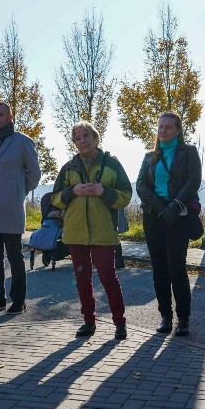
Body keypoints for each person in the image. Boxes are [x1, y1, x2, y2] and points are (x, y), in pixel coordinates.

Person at [52, 121, 132, 339]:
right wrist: (73, 191)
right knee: (82, 279)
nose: (82, 141)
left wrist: (103, 191)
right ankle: (89, 321)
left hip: (103, 231)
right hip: (75, 232)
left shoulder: (112, 164)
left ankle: (119, 323)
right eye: (77, 138)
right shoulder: (68, 167)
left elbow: (126, 195)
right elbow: (55, 198)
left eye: (86, 136)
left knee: (108, 277)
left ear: (96, 138)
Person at [135, 111, 202, 337]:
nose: (163, 131)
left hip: (178, 216)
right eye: (160, 126)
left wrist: (174, 206)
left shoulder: (188, 152)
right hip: (154, 216)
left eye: (168, 127)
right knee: (159, 268)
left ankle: (183, 319)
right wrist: (161, 208)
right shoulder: (149, 156)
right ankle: (165, 315)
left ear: (178, 130)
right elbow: (141, 185)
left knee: (177, 268)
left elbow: (193, 182)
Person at [0, 102, 41, 314]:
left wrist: (17, 191)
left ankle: (18, 299)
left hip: (11, 206)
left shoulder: (23, 142)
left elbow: (34, 174)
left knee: (14, 255)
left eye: (0, 115)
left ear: (10, 117)